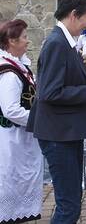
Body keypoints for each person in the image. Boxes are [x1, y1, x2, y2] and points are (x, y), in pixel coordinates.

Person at [27, 0, 86, 224]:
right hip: (57, 135)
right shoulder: (57, 44)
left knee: (71, 199)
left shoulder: (65, 43)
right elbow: (50, 92)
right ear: (74, 15)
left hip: (65, 131)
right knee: (69, 204)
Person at [0, 19, 43, 223]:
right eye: (24, 37)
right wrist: (40, 119)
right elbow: (10, 110)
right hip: (12, 136)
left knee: (21, 177)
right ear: (11, 41)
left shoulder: (18, 65)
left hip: (22, 135)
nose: (28, 41)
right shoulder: (9, 73)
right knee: (12, 177)